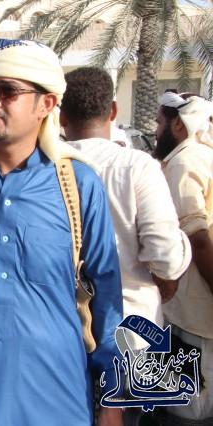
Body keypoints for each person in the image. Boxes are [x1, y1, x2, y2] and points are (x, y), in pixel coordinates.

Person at [0, 39, 124, 425]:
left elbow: (108, 297)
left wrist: (113, 401)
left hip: (59, 401)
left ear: (46, 104)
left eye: (8, 91)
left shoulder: (78, 185)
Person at [61, 66, 191, 337]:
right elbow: (166, 257)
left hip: (61, 326)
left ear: (61, 115)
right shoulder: (137, 167)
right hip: (131, 327)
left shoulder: (43, 169)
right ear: (113, 111)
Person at [154, 91, 213, 424]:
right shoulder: (204, 156)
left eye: (159, 122)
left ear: (178, 125)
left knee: (190, 410)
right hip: (196, 312)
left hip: (194, 313)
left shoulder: (184, 162)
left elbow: (198, 239)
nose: (156, 131)